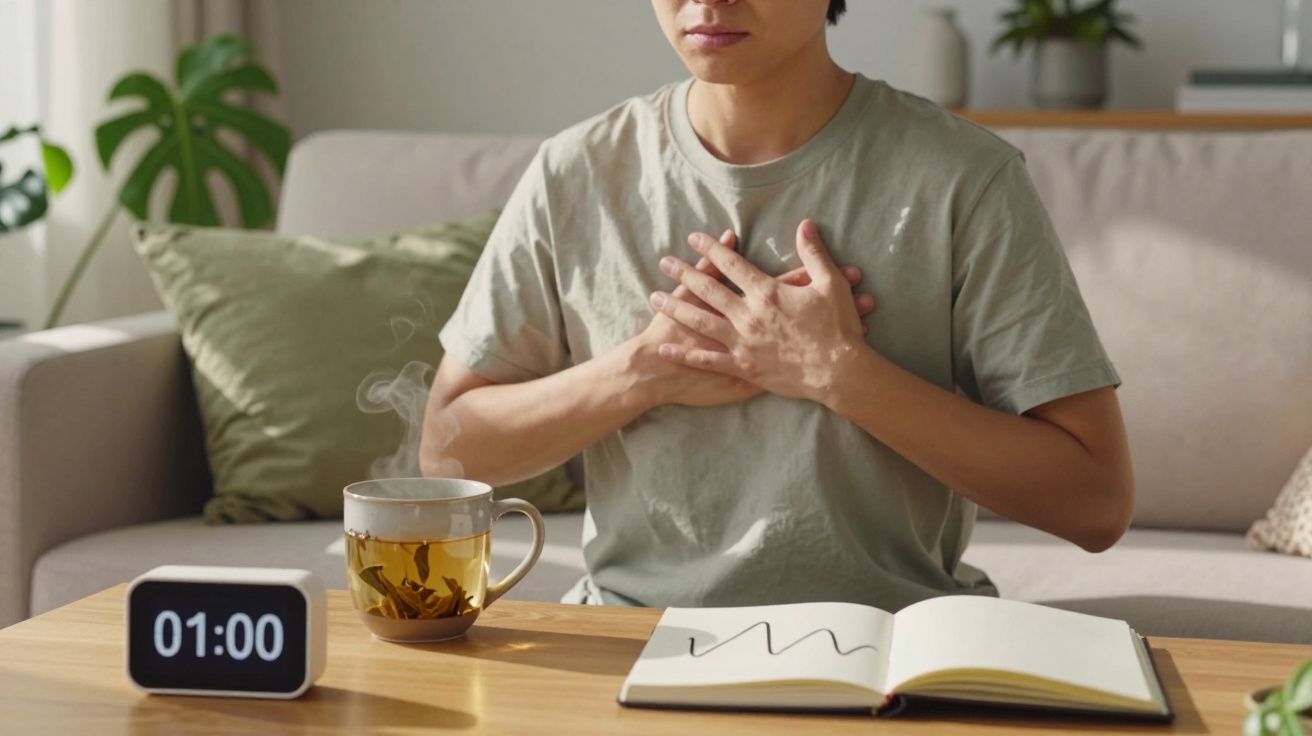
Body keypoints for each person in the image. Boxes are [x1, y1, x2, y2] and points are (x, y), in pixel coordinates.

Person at [422, 0, 1134, 609]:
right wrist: (644, 372)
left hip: (893, 647)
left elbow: (1096, 501)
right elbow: (447, 450)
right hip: (633, 640)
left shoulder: (965, 181)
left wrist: (838, 373)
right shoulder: (574, 175)